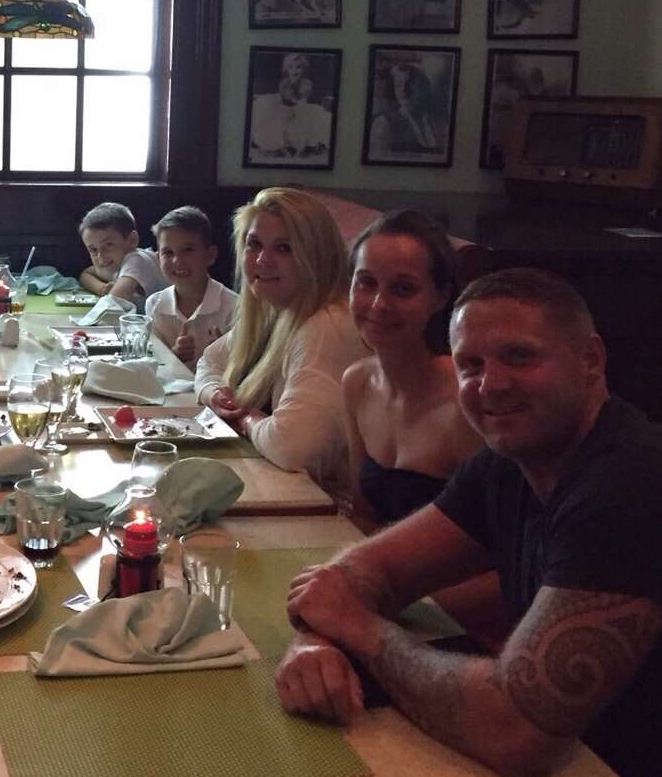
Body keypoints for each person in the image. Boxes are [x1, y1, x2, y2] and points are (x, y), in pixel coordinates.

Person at [277, 268, 662, 777]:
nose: (491, 385)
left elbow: (517, 729)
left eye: (519, 356)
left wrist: (361, 630)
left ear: (590, 359)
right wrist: (317, 641)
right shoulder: (508, 462)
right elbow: (372, 570)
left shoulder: (631, 482)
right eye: (470, 365)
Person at [195, 187, 367, 492]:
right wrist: (214, 394)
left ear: (315, 257)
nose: (263, 260)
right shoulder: (278, 308)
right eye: (254, 244)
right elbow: (210, 359)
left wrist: (246, 419)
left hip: (325, 511)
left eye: (284, 248)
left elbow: (293, 447)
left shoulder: (326, 325)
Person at [342, 210, 480, 527]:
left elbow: (498, 551)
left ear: (440, 297)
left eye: (402, 289)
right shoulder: (357, 382)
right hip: (380, 568)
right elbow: (362, 514)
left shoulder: (467, 398)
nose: (379, 303)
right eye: (366, 283)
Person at [144, 206, 236, 371]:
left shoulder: (234, 307)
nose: (177, 261)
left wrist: (223, 355)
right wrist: (174, 356)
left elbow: (245, 372)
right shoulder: (154, 304)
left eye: (188, 250)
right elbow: (155, 367)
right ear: (158, 259)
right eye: (168, 253)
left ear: (210, 255)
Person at [77, 202, 168, 312]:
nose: (101, 256)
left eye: (109, 245)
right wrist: (102, 288)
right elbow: (86, 274)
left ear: (132, 241)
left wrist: (111, 295)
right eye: (93, 250)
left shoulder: (136, 260)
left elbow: (111, 308)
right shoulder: (115, 263)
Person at [368, 62, 447, 159]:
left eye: (410, 83)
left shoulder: (436, 122)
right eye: (398, 85)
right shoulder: (384, 123)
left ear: (424, 87)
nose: (404, 91)